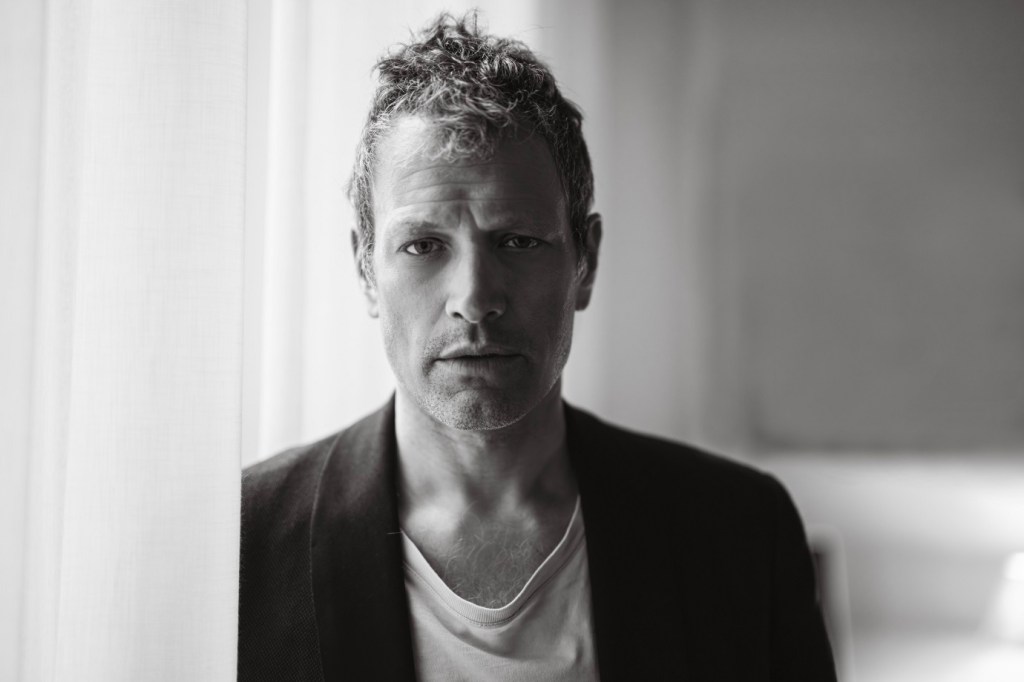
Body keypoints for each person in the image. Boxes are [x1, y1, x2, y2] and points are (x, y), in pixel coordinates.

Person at [238, 13, 836, 681]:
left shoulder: (740, 535)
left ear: (586, 261)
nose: (474, 297)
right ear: (364, 269)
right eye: (423, 246)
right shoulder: (240, 547)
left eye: (517, 241)